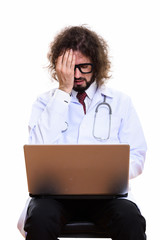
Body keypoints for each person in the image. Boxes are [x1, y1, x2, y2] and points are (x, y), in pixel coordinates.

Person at [18, 26, 147, 240]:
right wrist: (63, 92)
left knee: (130, 219)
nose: (76, 75)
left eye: (83, 67)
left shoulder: (121, 102)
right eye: (70, 68)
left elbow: (138, 155)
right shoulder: (44, 103)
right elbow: (36, 150)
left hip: (107, 196)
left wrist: (108, 173)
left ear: (97, 65)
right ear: (59, 68)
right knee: (40, 219)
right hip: (54, 197)